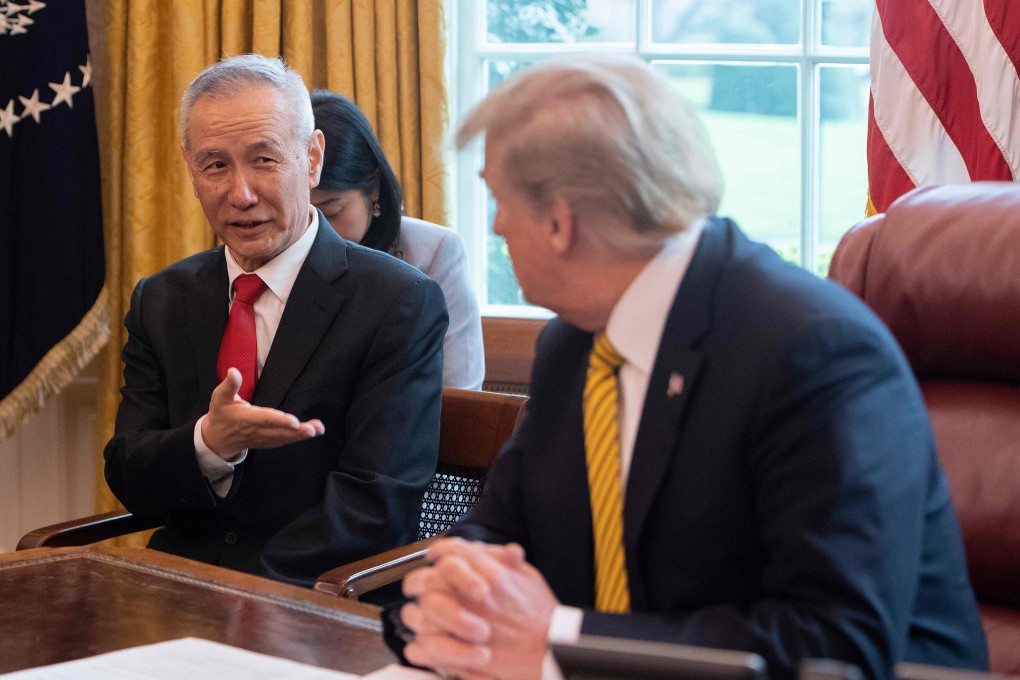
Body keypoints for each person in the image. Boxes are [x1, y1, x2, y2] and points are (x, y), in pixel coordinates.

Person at [388, 54, 988, 679]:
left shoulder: (813, 351)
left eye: (498, 198)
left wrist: (557, 638)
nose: (496, 225)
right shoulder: (572, 347)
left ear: (560, 221)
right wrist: (455, 595)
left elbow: (835, 646)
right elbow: (496, 535)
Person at [103, 54, 448, 588]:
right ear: (190, 170)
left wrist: (243, 595)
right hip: (174, 591)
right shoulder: (162, 298)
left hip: (317, 598)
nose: (240, 194)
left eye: (264, 160)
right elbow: (129, 472)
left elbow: (374, 507)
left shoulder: (398, 302)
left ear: (312, 160)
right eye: (215, 165)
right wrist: (207, 443)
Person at [310, 90, 484, 390]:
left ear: (374, 187)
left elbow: (461, 391)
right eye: (304, 216)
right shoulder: (282, 250)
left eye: (332, 212)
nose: (317, 231)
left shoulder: (434, 253)